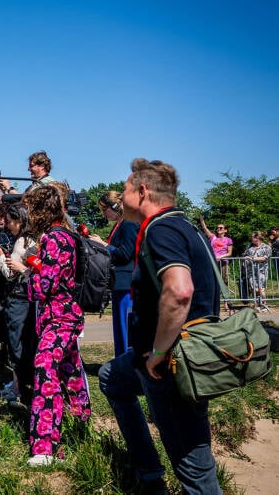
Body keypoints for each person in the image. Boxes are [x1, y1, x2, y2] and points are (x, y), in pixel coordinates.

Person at [98, 158, 221, 493]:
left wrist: (159, 352)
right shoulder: (181, 225)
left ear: (142, 190)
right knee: (111, 377)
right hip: (159, 358)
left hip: (171, 364)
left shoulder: (162, 229)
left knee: (194, 468)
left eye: (124, 191)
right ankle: (149, 474)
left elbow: (180, 291)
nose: (121, 199)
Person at [22, 185, 90, 466]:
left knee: (45, 370)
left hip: (59, 315)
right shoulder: (63, 235)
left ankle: (45, 447)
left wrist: (30, 276)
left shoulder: (53, 237)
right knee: (70, 372)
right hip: (63, 314)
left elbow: (45, 285)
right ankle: (80, 426)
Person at [0, 203, 37, 406]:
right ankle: (21, 386)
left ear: (19, 220)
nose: (7, 226)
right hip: (26, 298)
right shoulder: (32, 239)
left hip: (18, 298)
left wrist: (1, 256)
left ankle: (20, 389)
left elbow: (10, 273)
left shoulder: (22, 242)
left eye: (9, 222)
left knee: (17, 343)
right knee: (24, 342)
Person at [89, 192, 139, 357]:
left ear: (116, 207)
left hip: (126, 284)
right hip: (118, 283)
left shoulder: (129, 223)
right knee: (119, 329)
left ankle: (126, 362)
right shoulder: (120, 224)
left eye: (105, 210)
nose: (104, 214)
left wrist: (104, 245)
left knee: (125, 329)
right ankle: (120, 361)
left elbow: (125, 254)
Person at [199, 216, 233, 288]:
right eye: (217, 228)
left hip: (223, 262)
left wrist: (220, 257)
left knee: (224, 280)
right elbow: (205, 228)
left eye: (221, 228)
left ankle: (226, 298)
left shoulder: (228, 240)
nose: (218, 229)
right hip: (213, 262)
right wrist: (201, 220)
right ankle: (216, 297)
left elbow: (230, 253)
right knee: (213, 279)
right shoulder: (213, 237)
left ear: (225, 230)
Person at [244, 231, 271, 312]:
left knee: (260, 288)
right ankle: (257, 304)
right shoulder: (249, 247)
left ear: (257, 238)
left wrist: (252, 259)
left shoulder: (266, 247)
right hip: (250, 271)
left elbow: (265, 258)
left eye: (252, 237)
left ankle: (264, 304)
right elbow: (244, 255)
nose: (251, 238)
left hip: (262, 271)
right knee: (253, 288)